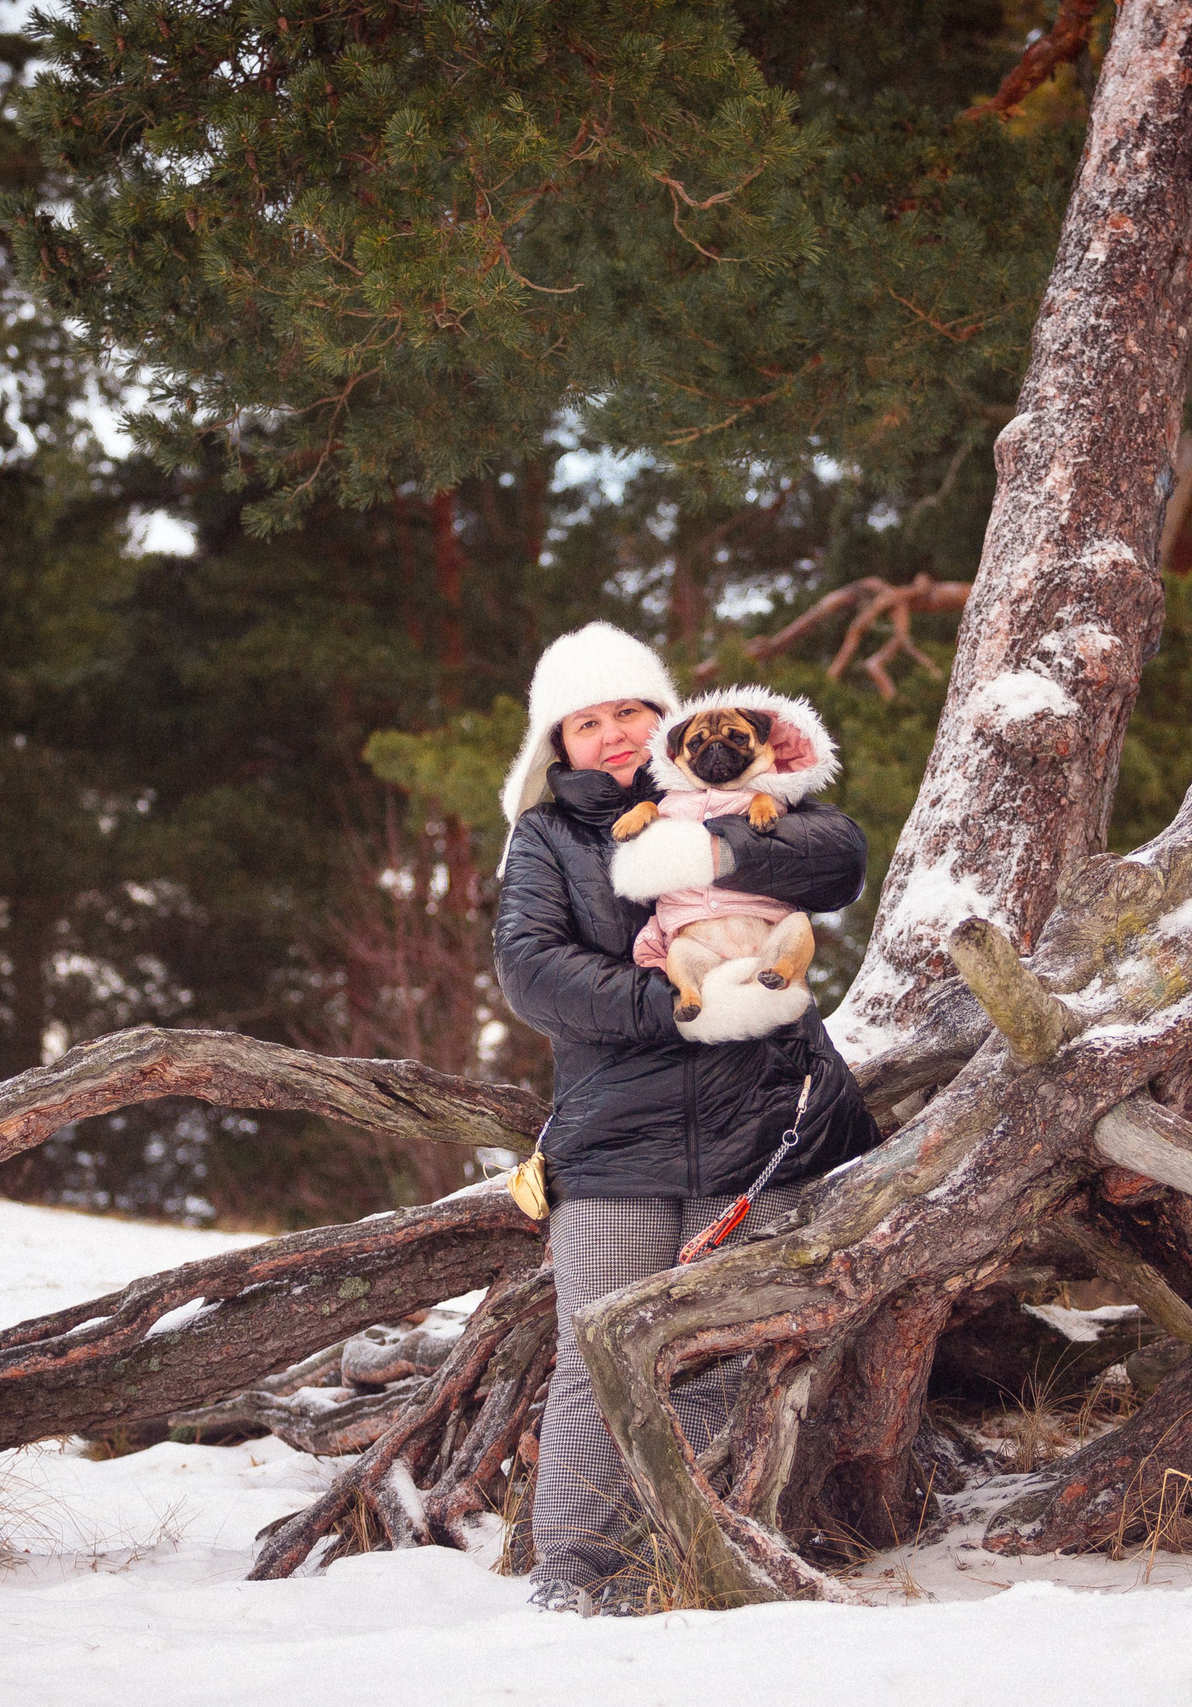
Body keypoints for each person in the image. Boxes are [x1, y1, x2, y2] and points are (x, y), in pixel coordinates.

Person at [491, 621, 882, 1610]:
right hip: (615, 1138)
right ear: (557, 743)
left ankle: (681, 1561)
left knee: (719, 1356)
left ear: (667, 717)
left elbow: (837, 859)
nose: (613, 733)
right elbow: (532, 971)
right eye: (587, 722)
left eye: (629, 710)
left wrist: (707, 844)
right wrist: (678, 1006)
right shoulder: (546, 838)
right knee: (601, 1354)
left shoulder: (745, 792)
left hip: (763, 1124)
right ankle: (574, 1568)